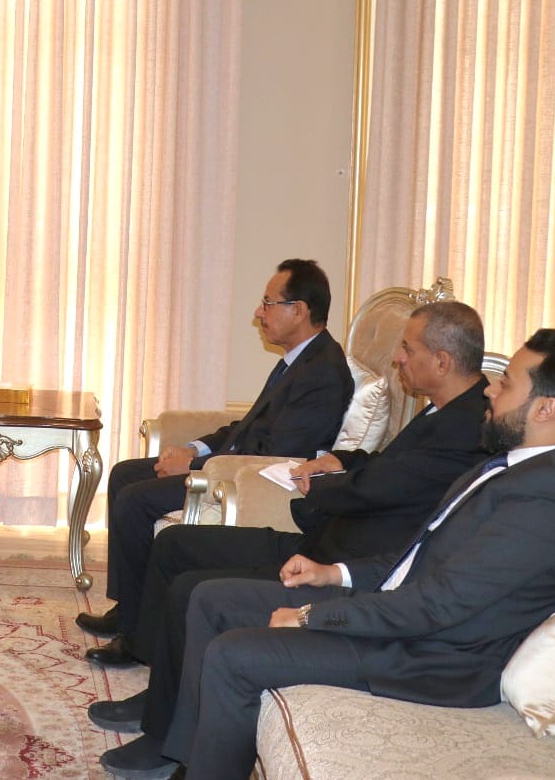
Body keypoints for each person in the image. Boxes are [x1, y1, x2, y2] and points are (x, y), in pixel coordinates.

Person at [149, 328, 555, 780]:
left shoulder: (548, 498)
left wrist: (311, 616)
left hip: (430, 655)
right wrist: (335, 574)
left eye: (507, 383)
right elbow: (423, 554)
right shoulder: (525, 467)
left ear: (547, 408)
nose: (491, 389)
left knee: (234, 655)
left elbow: (439, 605)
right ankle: (189, 760)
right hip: (402, 617)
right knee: (212, 599)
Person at [93, 300, 492, 777]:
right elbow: (392, 469)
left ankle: (167, 741)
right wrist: (343, 461)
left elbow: (384, 488)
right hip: (326, 541)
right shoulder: (442, 411)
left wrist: (322, 486)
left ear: (442, 361)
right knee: (175, 546)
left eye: (407, 348)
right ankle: (161, 698)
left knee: (192, 590)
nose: (398, 358)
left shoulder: (467, 426)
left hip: (345, 561)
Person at [80, 259, 355, 650]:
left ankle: (137, 637)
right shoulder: (299, 361)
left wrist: (194, 466)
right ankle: (129, 609)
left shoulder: (322, 372)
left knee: (135, 499)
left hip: (247, 481)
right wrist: (194, 448)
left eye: (268, 303)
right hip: (226, 464)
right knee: (124, 473)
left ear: (299, 310)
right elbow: (248, 427)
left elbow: (280, 453)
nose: (258, 312)